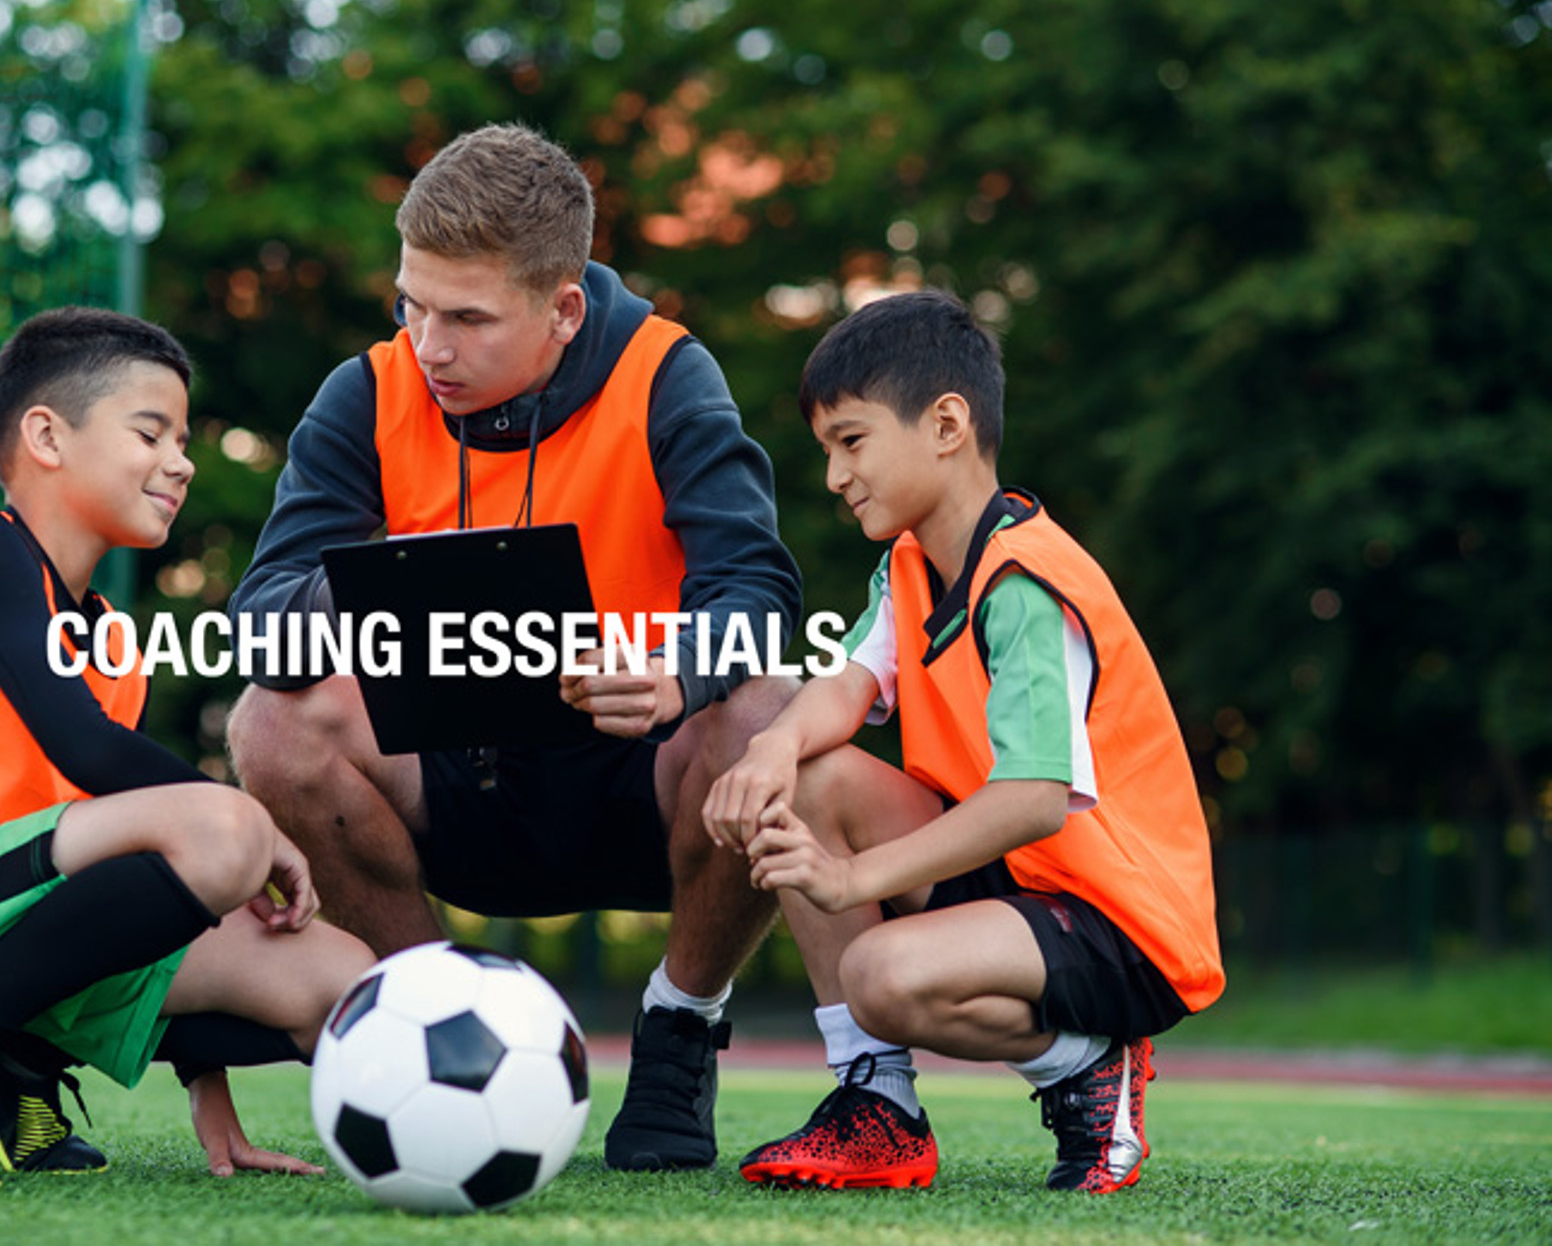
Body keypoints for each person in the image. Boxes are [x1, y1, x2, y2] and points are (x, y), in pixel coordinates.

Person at [226, 123, 804, 1171]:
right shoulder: (365, 390)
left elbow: (758, 594)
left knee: (767, 707)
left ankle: (682, 1026)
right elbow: (257, 618)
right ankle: (440, 1023)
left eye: (466, 317)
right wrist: (385, 588)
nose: (428, 345)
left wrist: (678, 669)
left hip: (640, 776)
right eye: (411, 303)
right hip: (452, 783)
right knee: (270, 723)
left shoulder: (667, 374)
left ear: (563, 308)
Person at [0, 307, 373, 1191]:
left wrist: (213, 1104)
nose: (180, 460)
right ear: (46, 437)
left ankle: (10, 1053)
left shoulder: (111, 640)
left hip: (18, 911)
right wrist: (249, 825)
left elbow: (142, 872)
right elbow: (92, 756)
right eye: (152, 432)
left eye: (183, 439)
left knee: (342, 979)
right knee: (225, 833)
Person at [704, 290, 1223, 1193]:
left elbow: (1031, 798)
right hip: (1023, 885)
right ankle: (879, 1107)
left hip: (1121, 922)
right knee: (812, 778)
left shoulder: (1025, 580)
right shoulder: (913, 562)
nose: (833, 476)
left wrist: (856, 880)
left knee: (880, 973)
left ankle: (1088, 1070)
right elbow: (848, 684)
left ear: (946, 424)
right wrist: (768, 752)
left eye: (851, 442)